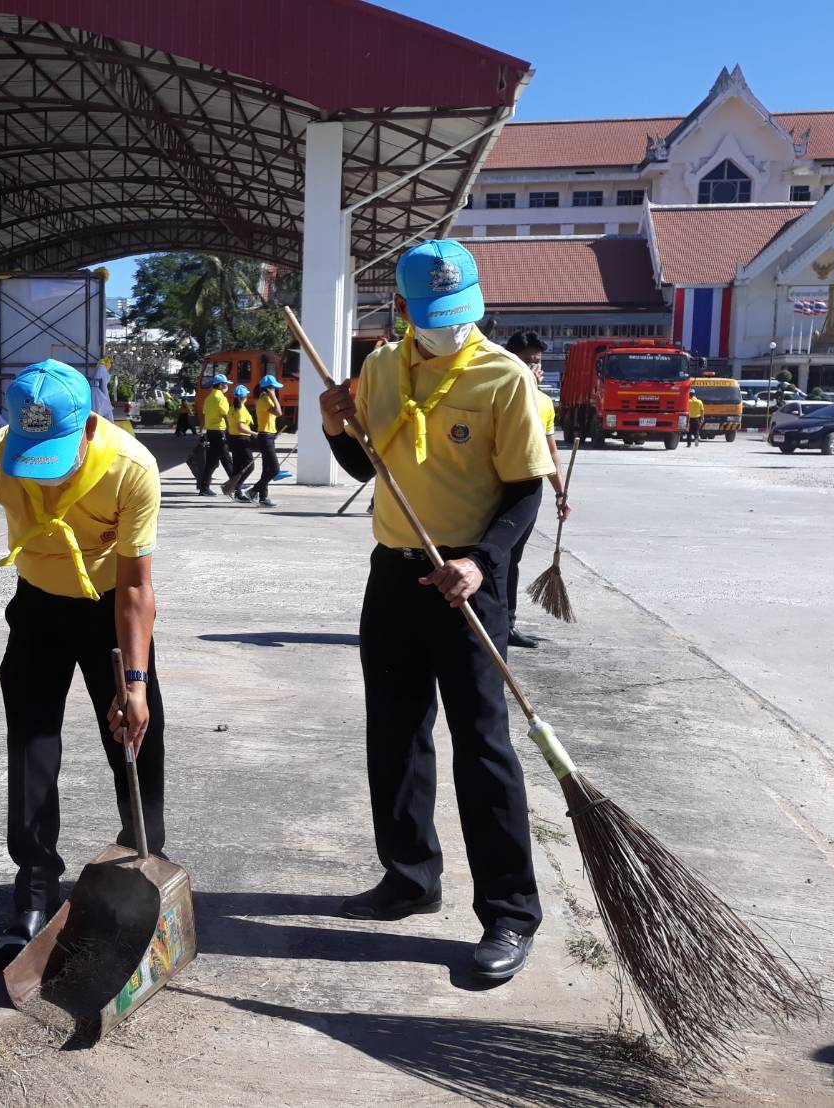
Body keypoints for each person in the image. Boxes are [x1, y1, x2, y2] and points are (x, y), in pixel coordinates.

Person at [319, 239, 555, 981]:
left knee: (482, 748)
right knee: (393, 735)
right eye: (432, 316)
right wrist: (334, 426)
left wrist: (480, 560)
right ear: (402, 310)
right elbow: (373, 466)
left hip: (467, 578)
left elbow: (524, 491)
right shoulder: (382, 368)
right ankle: (409, 879)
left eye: (457, 313)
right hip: (393, 574)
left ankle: (510, 914)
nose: (447, 327)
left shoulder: (503, 377)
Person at [0, 359, 164, 971]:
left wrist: (133, 683)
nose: (46, 478)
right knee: (32, 744)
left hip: (112, 610)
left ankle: (140, 877)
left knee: (134, 740)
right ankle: (32, 892)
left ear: (87, 429)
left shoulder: (132, 468)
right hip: (38, 608)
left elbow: (136, 585)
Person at [501, 332, 570, 649]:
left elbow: (550, 451)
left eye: (537, 361)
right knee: (490, 558)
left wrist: (560, 491)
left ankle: (507, 624)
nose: (533, 367)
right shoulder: (501, 394)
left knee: (511, 560)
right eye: (526, 361)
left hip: (526, 492)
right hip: (494, 488)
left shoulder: (543, 402)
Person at [196, 373, 233, 496]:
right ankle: (236, 485)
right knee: (227, 460)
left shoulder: (209, 398)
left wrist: (201, 430)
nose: (227, 386)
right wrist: (230, 430)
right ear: (221, 385)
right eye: (226, 384)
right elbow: (225, 415)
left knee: (212, 462)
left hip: (211, 432)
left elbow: (204, 416)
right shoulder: (221, 398)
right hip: (219, 431)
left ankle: (204, 487)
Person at [252, 373, 284, 507]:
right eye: (274, 388)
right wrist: (274, 396)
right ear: (269, 388)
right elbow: (279, 413)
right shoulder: (265, 399)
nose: (276, 389)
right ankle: (253, 490)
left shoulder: (264, 399)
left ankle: (263, 497)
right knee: (275, 469)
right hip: (265, 437)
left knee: (266, 469)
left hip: (268, 435)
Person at [222, 384, 257, 502]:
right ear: (245, 396)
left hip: (233, 439)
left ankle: (236, 492)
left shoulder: (232, 408)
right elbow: (241, 427)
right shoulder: (240, 409)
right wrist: (254, 433)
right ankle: (237, 487)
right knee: (250, 466)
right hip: (242, 440)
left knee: (237, 467)